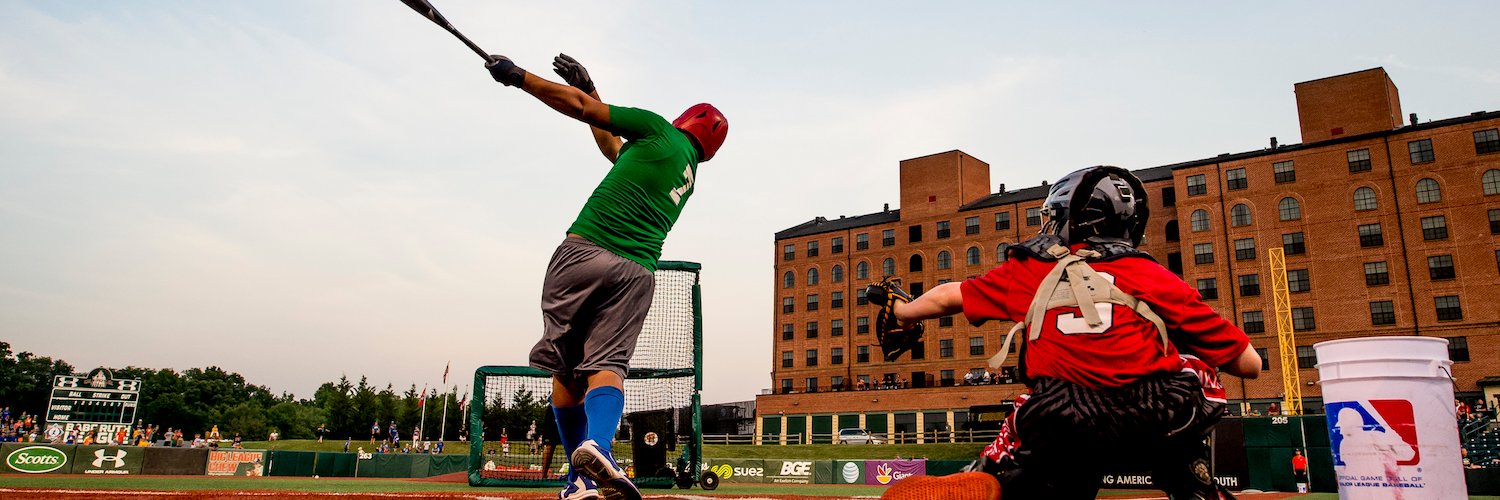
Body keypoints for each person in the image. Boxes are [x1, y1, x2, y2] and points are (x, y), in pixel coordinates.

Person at [879, 166, 1260, 500]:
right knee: (1195, 370)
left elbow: (948, 296)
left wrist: (903, 313)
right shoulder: (1152, 274)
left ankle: (997, 475)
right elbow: (1250, 365)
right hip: (1151, 413)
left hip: (1063, 415)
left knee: (1036, 419)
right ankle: (1189, 477)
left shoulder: (1028, 270)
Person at [482, 51, 728, 500]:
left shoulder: (656, 129)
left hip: (584, 254)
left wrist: (518, 77)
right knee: (607, 366)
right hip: (636, 273)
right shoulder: (686, 172)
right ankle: (592, 460)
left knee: (566, 370)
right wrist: (593, 89)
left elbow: (581, 111)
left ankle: (579, 466)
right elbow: (614, 150)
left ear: (685, 120)